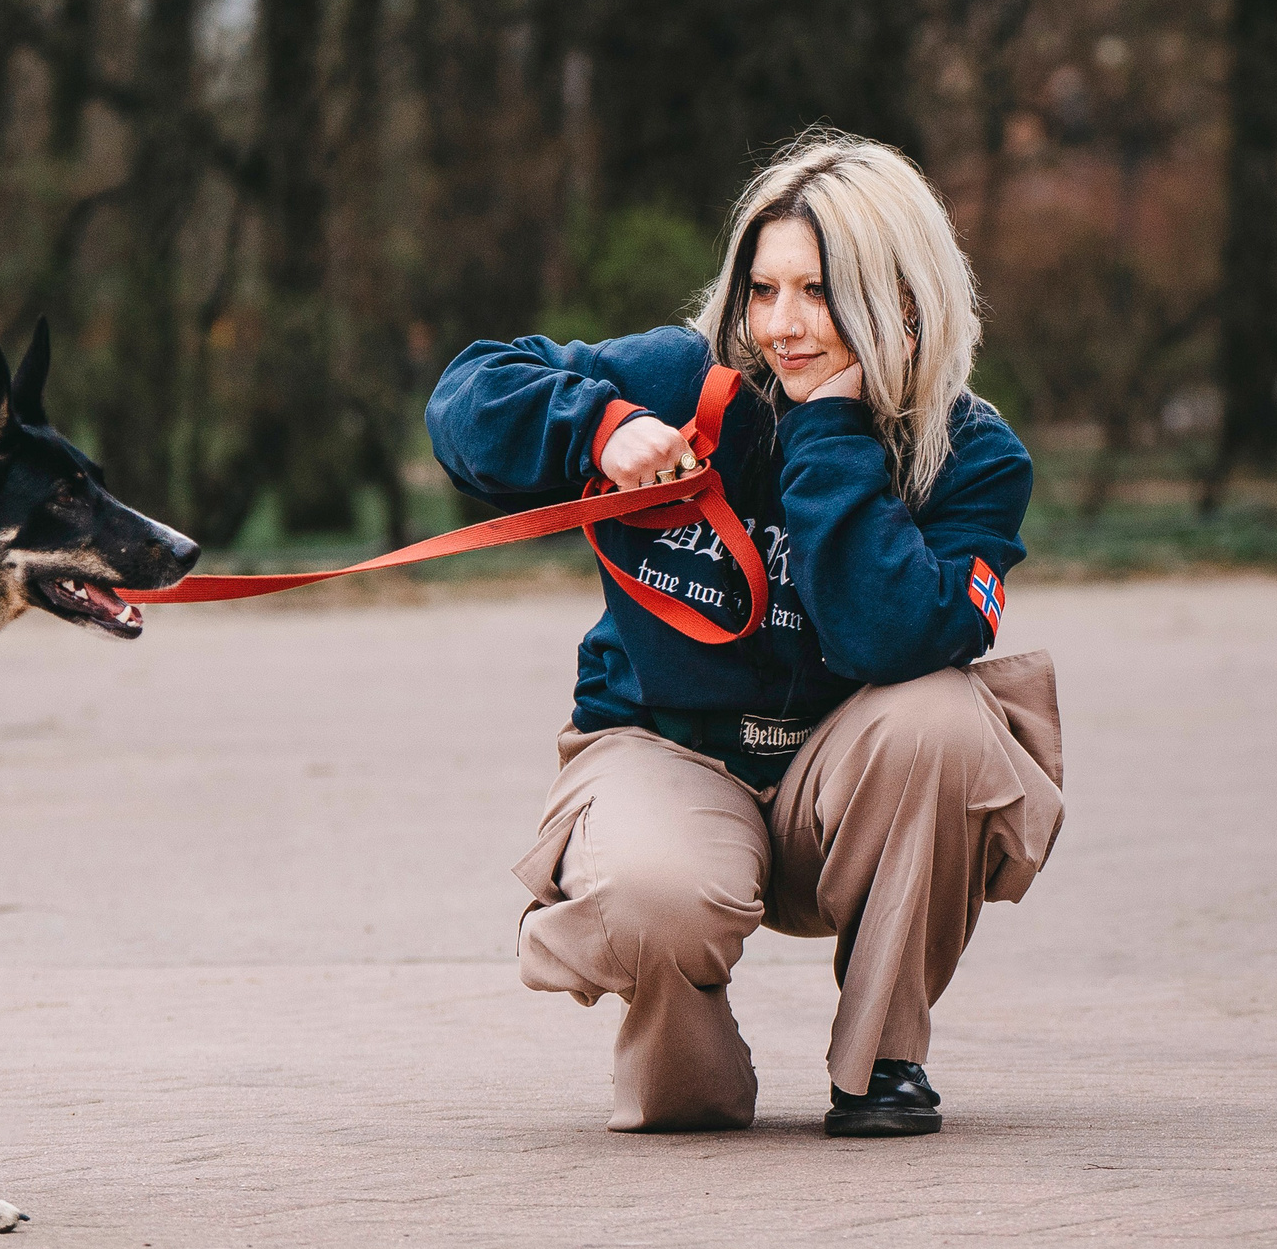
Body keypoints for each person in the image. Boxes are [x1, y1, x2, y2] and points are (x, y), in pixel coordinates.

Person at [426, 131, 1064, 1138]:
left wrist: (828, 437)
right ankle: (690, 1068)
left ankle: (882, 1061)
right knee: (656, 922)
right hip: (664, 751)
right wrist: (595, 426)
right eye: (762, 289)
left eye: (817, 291)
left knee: (945, 714)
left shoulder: (972, 457)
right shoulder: (687, 378)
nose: (781, 324)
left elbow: (889, 636)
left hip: (845, 793)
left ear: (902, 299)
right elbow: (466, 396)